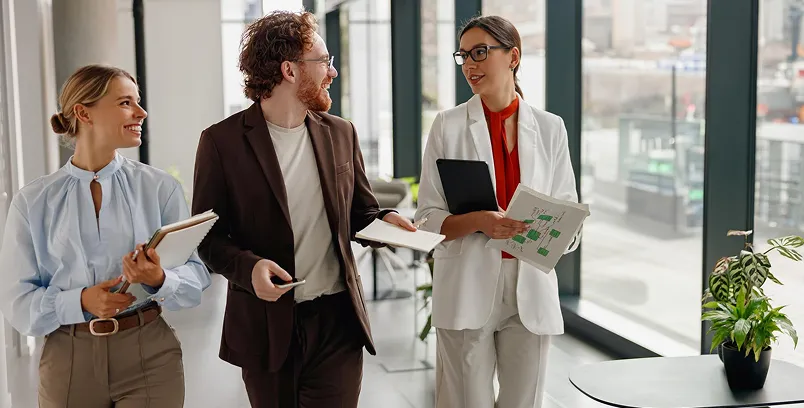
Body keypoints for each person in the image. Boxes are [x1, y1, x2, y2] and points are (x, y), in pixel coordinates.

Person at [191, 10, 415, 408]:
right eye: (324, 62)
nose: (332, 72)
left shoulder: (341, 133)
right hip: (267, 324)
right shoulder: (222, 143)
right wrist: (249, 268)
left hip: (338, 320)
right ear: (290, 70)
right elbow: (208, 238)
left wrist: (385, 221)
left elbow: (360, 213)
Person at [0, 64, 211, 407]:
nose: (141, 112)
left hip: (149, 354)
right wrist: (81, 301)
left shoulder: (160, 188)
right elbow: (17, 302)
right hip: (68, 358)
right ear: (84, 112)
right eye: (126, 102)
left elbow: (197, 276)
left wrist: (159, 277)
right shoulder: (33, 202)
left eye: (137, 102)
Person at [414, 15, 582, 408]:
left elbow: (570, 221)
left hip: (530, 290)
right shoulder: (447, 126)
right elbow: (425, 219)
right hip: (468, 283)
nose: (470, 65)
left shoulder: (550, 128)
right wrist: (480, 222)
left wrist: (560, 230)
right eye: (464, 56)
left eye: (480, 53)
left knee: (523, 403)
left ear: (513, 56)